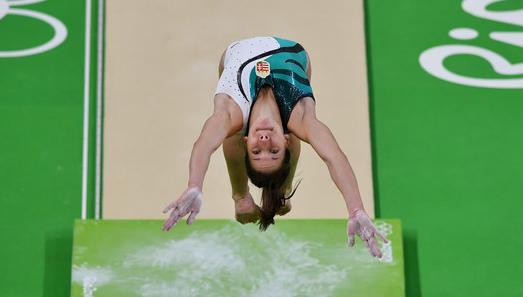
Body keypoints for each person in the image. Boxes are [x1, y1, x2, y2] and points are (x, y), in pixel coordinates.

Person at [162, 37, 387, 258]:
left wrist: (194, 185)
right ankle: (282, 192)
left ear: (247, 145)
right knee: (292, 127)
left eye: (256, 151)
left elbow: (205, 143)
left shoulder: (231, 111)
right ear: (284, 145)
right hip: (297, 55)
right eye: (274, 151)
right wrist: (356, 208)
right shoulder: (300, 115)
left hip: (234, 53)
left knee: (229, 130)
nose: (264, 141)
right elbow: (334, 157)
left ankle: (242, 197)